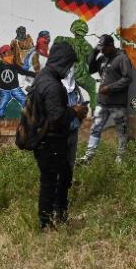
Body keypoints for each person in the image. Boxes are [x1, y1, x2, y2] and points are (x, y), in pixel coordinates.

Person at [29, 42, 89, 229]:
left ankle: (60, 216)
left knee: (63, 177)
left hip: (48, 141)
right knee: (50, 183)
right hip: (51, 143)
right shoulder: (53, 86)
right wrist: (76, 111)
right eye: (69, 64)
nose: (69, 69)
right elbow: (57, 117)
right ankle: (46, 224)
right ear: (62, 62)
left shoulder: (42, 78)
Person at [79, 34, 134, 164]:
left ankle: (120, 158)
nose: (102, 50)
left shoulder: (122, 58)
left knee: (121, 130)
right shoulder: (103, 58)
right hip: (102, 102)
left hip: (117, 103)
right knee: (95, 128)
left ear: (111, 45)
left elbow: (128, 78)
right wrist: (95, 51)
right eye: (101, 48)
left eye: (104, 48)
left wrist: (111, 88)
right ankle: (88, 157)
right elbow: (90, 68)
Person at [0, 45, 35, 118]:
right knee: (1, 106)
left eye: (11, 53)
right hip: (4, 91)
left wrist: (35, 75)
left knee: (25, 102)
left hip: (15, 89)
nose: (11, 55)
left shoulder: (14, 65)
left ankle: (33, 116)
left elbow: (23, 72)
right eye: (8, 53)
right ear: (2, 55)